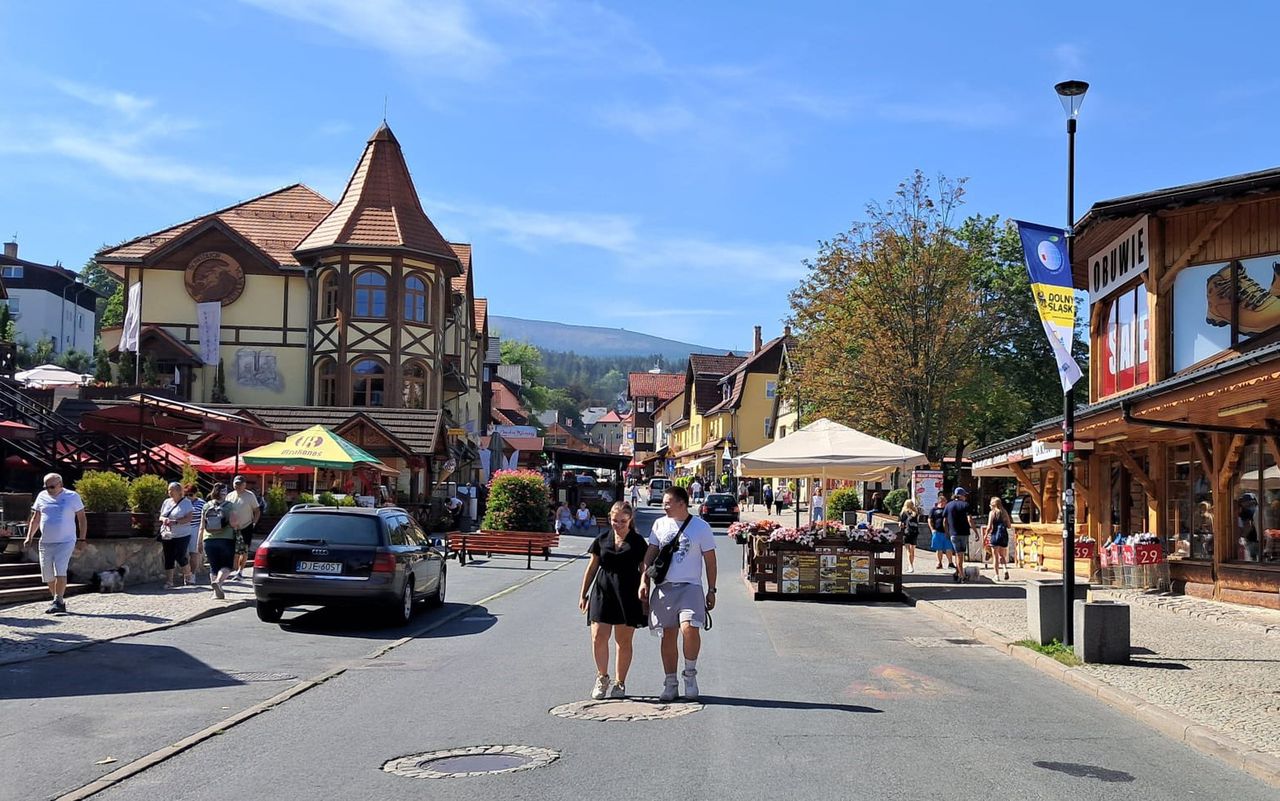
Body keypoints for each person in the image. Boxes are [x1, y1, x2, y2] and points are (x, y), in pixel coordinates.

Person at [640, 486, 717, 702]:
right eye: (664, 502)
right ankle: (670, 682)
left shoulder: (701, 527)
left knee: (690, 629)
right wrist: (643, 580)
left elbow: (710, 560)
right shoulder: (660, 525)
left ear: (682, 503)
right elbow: (649, 555)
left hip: (691, 586)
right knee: (668, 634)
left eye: (668, 502)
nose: (664, 505)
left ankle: (690, 676)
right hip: (665, 587)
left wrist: (711, 589)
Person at [579, 501, 648, 699]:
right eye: (614, 520)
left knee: (623, 640)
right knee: (598, 636)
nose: (617, 525)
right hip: (602, 590)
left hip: (628, 592)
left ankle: (620, 683)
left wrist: (645, 590)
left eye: (622, 521)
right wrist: (583, 593)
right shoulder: (602, 539)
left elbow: (644, 569)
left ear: (630, 520)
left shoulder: (637, 542)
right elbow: (592, 567)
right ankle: (602, 677)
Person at [24, 472, 87, 614]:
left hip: (66, 540)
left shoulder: (72, 496)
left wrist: (82, 538)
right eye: (46, 487)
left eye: (52, 487)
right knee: (47, 573)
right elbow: (36, 518)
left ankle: (58, 600)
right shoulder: (42, 496)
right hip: (46, 541)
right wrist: (29, 536)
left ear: (60, 484)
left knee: (60, 568)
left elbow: (82, 518)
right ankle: (58, 600)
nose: (49, 490)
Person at [201, 483, 236, 600]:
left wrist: (199, 543)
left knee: (213, 566)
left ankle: (216, 593)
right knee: (227, 565)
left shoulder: (206, 505)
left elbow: (202, 526)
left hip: (209, 540)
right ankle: (218, 582)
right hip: (226, 539)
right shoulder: (230, 505)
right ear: (224, 493)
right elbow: (234, 523)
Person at [158, 481, 194, 589]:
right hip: (168, 534)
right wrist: (164, 519)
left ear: (179, 491)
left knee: (180, 556)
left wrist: (176, 521)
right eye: (168, 490)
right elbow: (161, 516)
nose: (169, 492)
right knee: (168, 557)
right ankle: (169, 581)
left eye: (171, 490)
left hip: (182, 534)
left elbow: (189, 518)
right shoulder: (167, 502)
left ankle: (188, 575)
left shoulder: (186, 503)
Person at [225, 476, 260, 580]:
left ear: (244, 485)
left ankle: (240, 571)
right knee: (234, 551)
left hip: (246, 526)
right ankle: (235, 570)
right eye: (236, 484)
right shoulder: (230, 496)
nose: (238, 486)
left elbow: (257, 510)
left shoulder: (250, 496)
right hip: (233, 527)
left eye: (240, 484)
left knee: (244, 550)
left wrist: (254, 523)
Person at [944, 487, 973, 582]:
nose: (965, 497)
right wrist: (975, 531)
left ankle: (957, 573)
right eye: (964, 495)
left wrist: (947, 531)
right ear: (961, 496)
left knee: (957, 554)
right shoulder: (965, 505)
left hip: (953, 533)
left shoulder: (948, 505)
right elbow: (969, 519)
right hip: (964, 533)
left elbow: (945, 520)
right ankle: (962, 575)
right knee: (961, 555)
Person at [987, 497, 1013, 580]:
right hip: (1003, 535)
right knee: (1002, 555)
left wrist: (985, 536)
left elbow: (989, 526)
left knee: (995, 557)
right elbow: (1009, 526)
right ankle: (1005, 569)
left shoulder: (992, 513)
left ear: (993, 505)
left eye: (991, 504)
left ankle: (997, 575)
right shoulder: (1004, 512)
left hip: (995, 535)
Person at [183, 485, 205, 587]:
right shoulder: (183, 502)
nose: (188, 497)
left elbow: (203, 519)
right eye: (186, 495)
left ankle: (192, 574)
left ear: (195, 494)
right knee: (183, 553)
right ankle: (185, 573)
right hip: (183, 528)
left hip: (195, 528)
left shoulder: (201, 503)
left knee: (193, 553)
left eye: (190, 495)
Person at [929, 495, 955, 571]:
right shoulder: (934, 509)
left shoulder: (948, 509)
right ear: (939, 501)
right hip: (937, 531)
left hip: (947, 532)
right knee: (938, 549)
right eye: (943, 501)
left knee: (948, 548)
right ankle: (939, 563)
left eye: (945, 501)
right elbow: (930, 519)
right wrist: (932, 529)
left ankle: (950, 563)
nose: (945, 503)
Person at [898, 498, 920, 573]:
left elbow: (900, 524)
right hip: (914, 532)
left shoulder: (903, 513)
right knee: (912, 550)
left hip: (907, 533)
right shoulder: (915, 513)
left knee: (908, 550)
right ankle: (912, 564)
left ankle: (910, 566)